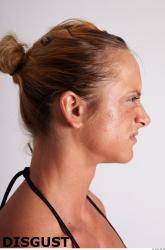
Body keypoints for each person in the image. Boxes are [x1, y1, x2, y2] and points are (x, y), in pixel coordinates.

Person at [0, 18, 150, 248]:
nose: (144, 118)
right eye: (131, 99)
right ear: (74, 108)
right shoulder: (28, 240)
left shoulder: (94, 206)